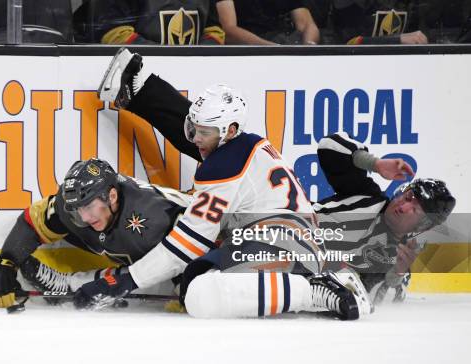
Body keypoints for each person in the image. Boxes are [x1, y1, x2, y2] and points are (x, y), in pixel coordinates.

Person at [74, 48, 372, 320]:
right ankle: (141, 86)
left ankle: (314, 291)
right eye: (193, 128)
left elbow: (185, 245)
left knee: (199, 295)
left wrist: (123, 281)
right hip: (288, 239)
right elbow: (200, 135)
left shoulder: (226, 165)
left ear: (229, 130)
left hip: (284, 244)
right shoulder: (244, 144)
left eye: (204, 131)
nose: (195, 139)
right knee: (194, 275)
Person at [0, 158, 192, 308]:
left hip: (202, 243)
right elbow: (31, 222)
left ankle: (72, 283)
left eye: (89, 207)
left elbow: (176, 258)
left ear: (113, 196)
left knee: (190, 293)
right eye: (77, 210)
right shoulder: (75, 209)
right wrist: (5, 262)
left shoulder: (151, 218)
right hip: (157, 246)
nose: (85, 218)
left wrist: (81, 285)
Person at [314, 132, 456, 304]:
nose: (404, 207)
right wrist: (375, 164)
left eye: (415, 210)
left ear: (422, 226)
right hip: (282, 227)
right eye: (409, 197)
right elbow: (328, 146)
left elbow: (375, 302)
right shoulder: (364, 193)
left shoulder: (398, 258)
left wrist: (396, 274)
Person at [76, 0, 225, 45]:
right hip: (135, 81)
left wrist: (202, 55)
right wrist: (165, 58)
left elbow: (214, 31)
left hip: (193, 76)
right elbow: (113, 34)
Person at [215, 0, 320, 45]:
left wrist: (309, 47)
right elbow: (228, 30)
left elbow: (307, 24)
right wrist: (270, 48)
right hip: (246, 54)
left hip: (284, 49)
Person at [330, 0, 428, 44]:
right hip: (357, 69)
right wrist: (397, 40)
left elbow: (420, 34)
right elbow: (349, 43)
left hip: (400, 66)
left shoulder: (408, 3)